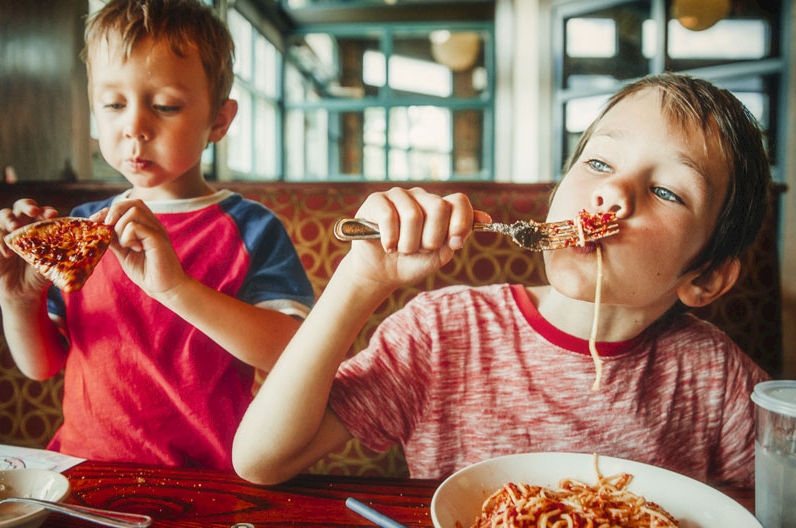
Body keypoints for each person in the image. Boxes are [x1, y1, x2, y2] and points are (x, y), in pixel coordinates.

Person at [231, 72, 772, 486]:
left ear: (705, 278)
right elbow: (262, 459)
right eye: (600, 164)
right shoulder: (443, 331)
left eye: (667, 191)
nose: (612, 194)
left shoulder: (714, 376)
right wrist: (359, 279)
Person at [0, 0, 314, 470]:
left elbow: (292, 355)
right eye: (114, 104)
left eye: (165, 105)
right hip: (82, 471)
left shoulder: (251, 229)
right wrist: (18, 300)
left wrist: (177, 289)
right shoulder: (82, 228)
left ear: (219, 120)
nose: (135, 126)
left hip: (209, 479)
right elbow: (41, 365)